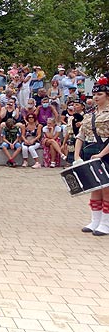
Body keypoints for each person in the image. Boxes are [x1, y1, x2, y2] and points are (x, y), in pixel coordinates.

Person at [74, 77, 109, 236]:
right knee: (95, 187)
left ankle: (106, 223)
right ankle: (95, 220)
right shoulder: (89, 114)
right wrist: (76, 156)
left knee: (106, 189)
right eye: (94, 94)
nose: (96, 97)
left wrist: (102, 154)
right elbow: (80, 135)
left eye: (100, 94)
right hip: (90, 150)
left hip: (105, 152)